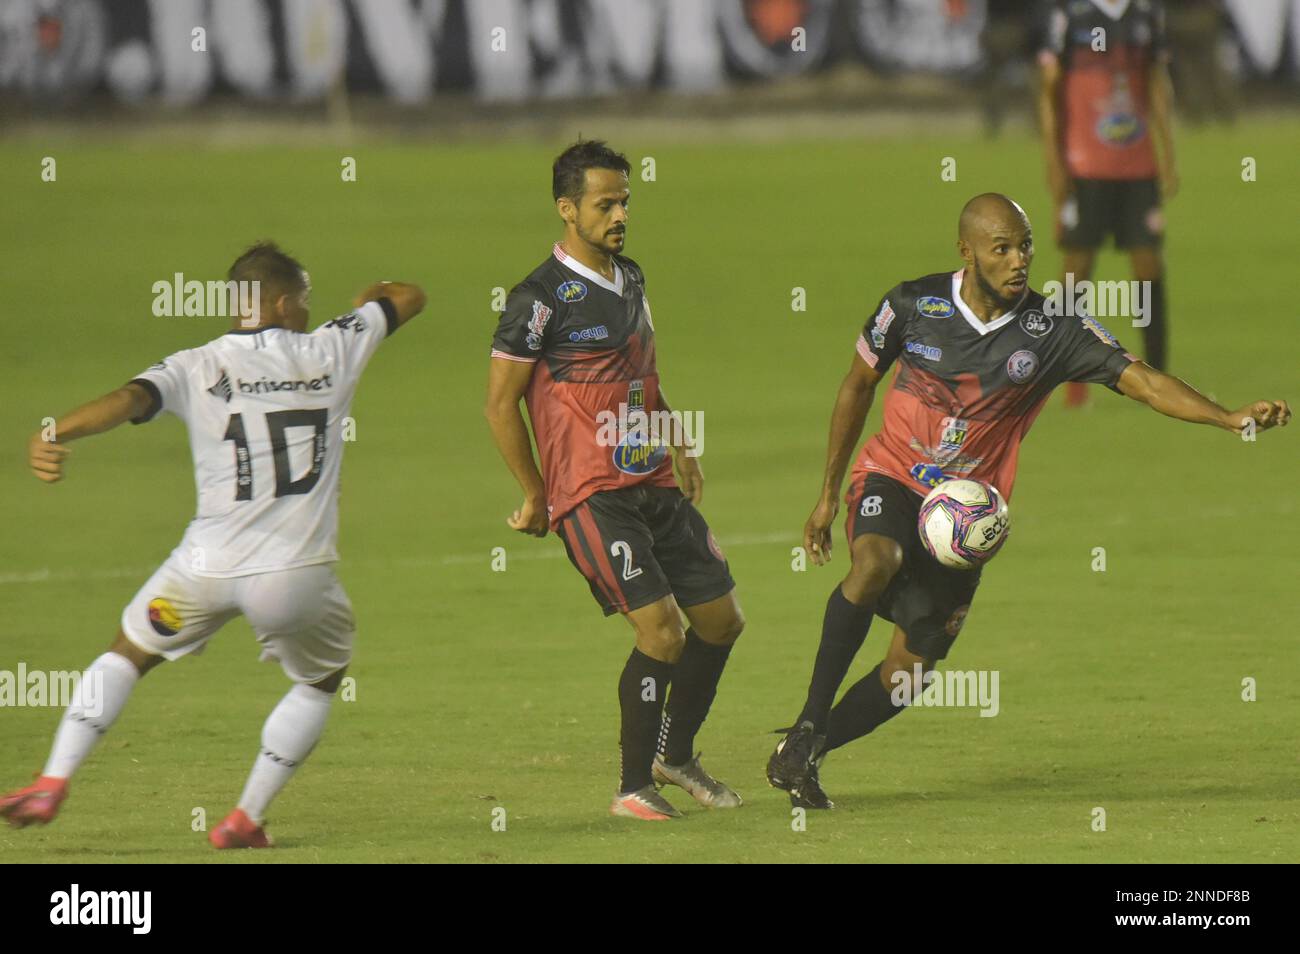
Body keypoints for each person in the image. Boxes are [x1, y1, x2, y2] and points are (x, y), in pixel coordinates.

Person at [767, 194, 1288, 808]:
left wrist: (1226, 417)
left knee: (908, 674)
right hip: (892, 479)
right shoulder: (910, 304)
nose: (1019, 261)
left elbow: (1142, 380)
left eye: (1026, 246)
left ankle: (808, 752)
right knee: (874, 562)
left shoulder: (1054, 327)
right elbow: (857, 385)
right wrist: (828, 495)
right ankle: (806, 722)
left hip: (966, 521)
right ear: (966, 251)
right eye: (1002, 248)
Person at [1, 242, 426, 847]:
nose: (308, 310)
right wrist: (366, 301)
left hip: (202, 571)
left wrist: (56, 430)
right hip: (293, 579)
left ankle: (51, 780)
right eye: (304, 300)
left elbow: (126, 400)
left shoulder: (194, 365)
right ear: (283, 303)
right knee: (322, 678)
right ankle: (244, 818)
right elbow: (408, 296)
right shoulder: (333, 346)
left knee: (129, 650)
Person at [484, 141, 745, 821]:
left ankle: (675, 754)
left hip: (652, 480)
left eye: (625, 200)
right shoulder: (538, 300)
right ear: (567, 209)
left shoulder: (630, 277)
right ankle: (633, 787)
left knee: (720, 621)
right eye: (606, 203)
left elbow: (641, 376)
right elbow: (498, 402)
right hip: (592, 494)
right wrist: (536, 493)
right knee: (661, 633)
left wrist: (679, 442)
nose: (620, 212)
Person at [1037, 0, 1177, 406]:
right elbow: (1048, 91)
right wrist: (1054, 162)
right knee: (1076, 270)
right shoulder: (1068, 14)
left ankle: (1158, 372)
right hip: (1085, 166)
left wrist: (1169, 151)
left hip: (1138, 166)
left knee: (1148, 265)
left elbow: (1156, 83)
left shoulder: (1147, 14)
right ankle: (1069, 375)